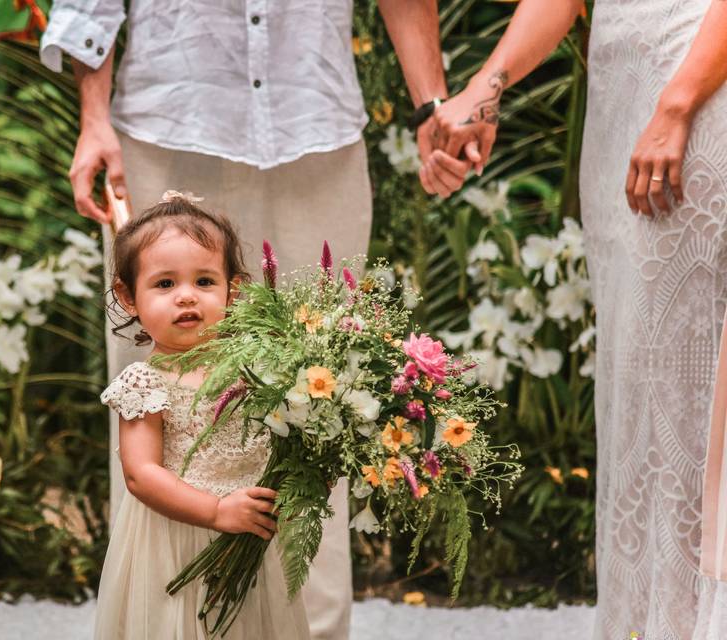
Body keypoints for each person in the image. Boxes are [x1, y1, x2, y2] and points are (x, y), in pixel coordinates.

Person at [40, 3, 458, 636]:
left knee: (327, 399)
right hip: (166, 121)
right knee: (156, 396)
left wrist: (432, 105)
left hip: (314, 127)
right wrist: (92, 117)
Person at [418, 1, 727, 637]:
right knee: (637, 390)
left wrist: (678, 103)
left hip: (696, 87)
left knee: (689, 395)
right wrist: (488, 87)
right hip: (623, 98)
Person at [94, 192, 309, 639]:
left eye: (205, 282)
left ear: (235, 289)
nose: (186, 297)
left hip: (249, 530)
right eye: (165, 284)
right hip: (177, 540)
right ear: (127, 295)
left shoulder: (257, 367)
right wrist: (214, 512)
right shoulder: (143, 382)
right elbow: (140, 474)